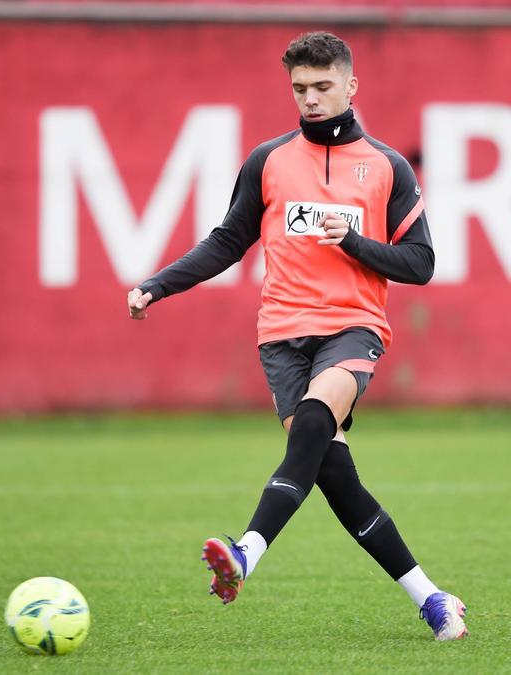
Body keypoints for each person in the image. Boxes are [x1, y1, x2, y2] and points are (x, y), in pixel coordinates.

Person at [126, 31, 467, 641]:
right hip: (281, 337)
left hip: (352, 328)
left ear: (350, 86)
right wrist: (158, 284)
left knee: (313, 421)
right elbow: (228, 241)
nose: (310, 99)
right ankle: (433, 599)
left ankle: (248, 550)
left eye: (322, 87)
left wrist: (355, 242)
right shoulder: (268, 161)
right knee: (335, 478)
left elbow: (421, 263)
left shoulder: (387, 166)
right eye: (300, 89)